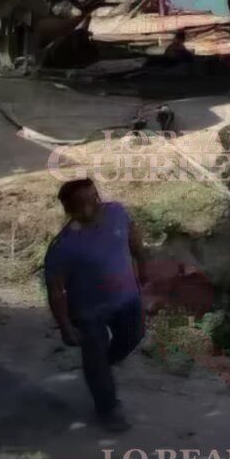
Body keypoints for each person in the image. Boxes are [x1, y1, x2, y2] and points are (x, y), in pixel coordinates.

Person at [44, 179, 149, 432]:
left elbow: (134, 240)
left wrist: (144, 270)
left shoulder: (117, 213)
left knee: (133, 336)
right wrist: (65, 326)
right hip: (88, 311)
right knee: (95, 353)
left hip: (127, 299)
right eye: (84, 201)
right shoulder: (63, 246)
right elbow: (56, 291)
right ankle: (108, 408)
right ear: (69, 209)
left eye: (94, 196)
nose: (94, 203)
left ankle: (100, 368)